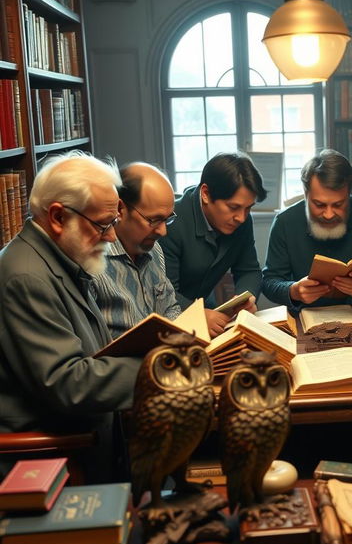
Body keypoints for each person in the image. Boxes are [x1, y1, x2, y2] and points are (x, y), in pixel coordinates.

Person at [0, 151, 142, 482]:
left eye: (114, 224)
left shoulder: (58, 258)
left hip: (80, 448)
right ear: (58, 217)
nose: (110, 237)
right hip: (50, 467)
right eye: (102, 225)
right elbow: (66, 382)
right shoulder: (26, 277)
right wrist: (156, 369)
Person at [261, 149, 352, 311]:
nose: (328, 214)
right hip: (304, 317)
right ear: (305, 194)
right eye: (319, 205)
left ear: (349, 193)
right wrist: (293, 291)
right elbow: (269, 282)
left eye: (338, 205)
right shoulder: (285, 221)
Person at [159, 153, 263, 336]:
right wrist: (197, 314)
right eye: (233, 207)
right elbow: (164, 293)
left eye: (249, 208)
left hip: (208, 308)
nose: (241, 217)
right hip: (169, 320)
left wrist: (245, 299)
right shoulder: (170, 223)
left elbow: (249, 270)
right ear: (206, 194)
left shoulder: (242, 220)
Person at [93, 162, 181, 339]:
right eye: (154, 220)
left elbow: (170, 309)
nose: (163, 231)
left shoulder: (153, 249)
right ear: (120, 209)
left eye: (167, 219)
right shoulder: (92, 263)